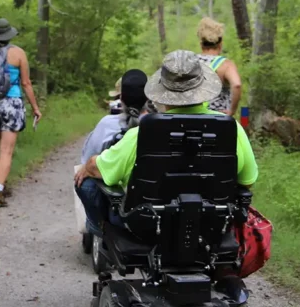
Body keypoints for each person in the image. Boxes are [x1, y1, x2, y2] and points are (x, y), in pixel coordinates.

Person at [74, 50, 258, 224]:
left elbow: (101, 169)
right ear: (203, 89)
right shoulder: (232, 129)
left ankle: (100, 229)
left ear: (162, 92)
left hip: (147, 227)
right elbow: (247, 182)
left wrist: (88, 166)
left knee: (86, 184)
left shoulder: (141, 134)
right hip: (213, 224)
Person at [0, 19, 42, 208]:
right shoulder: (18, 53)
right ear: (8, 35)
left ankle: (1, 185)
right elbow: (26, 83)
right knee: (7, 150)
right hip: (11, 103)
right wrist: (35, 108)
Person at [76, 70, 148, 235]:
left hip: (125, 208)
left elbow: (87, 160)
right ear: (149, 98)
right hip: (157, 202)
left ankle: (98, 226)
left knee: (84, 180)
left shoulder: (109, 125)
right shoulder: (160, 126)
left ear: (121, 98)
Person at [196, 17, 242, 117]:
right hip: (217, 119)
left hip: (192, 118)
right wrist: (232, 111)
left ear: (201, 44)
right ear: (220, 44)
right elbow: (237, 85)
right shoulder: (225, 65)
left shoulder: (190, 62)